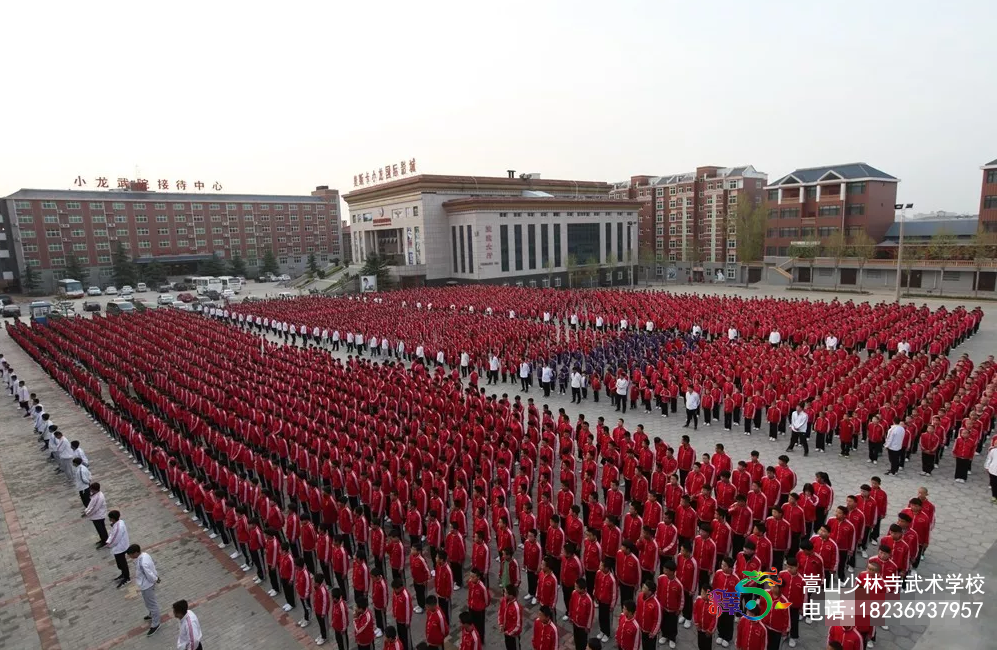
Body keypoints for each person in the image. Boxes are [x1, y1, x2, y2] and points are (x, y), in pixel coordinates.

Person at [127, 544, 161, 636]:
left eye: (130, 554)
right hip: (146, 584)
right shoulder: (145, 555)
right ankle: (151, 615)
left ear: (136, 553)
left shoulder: (142, 563)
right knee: (148, 602)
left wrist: (155, 579)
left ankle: (156, 623)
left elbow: (149, 574)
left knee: (152, 604)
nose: (129, 556)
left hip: (147, 585)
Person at [106, 510, 131, 588]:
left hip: (120, 548)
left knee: (122, 563)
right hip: (121, 546)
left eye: (110, 518)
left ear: (113, 518)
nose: (109, 519)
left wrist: (109, 544)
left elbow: (115, 539)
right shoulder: (118, 523)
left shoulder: (118, 527)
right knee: (120, 563)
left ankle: (127, 577)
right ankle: (123, 574)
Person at [82, 482, 108, 547]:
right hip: (96, 515)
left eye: (91, 489)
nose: (90, 490)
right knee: (100, 528)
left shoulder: (99, 497)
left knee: (101, 529)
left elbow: (95, 508)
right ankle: (103, 539)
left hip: (98, 516)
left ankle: (104, 541)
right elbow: (91, 504)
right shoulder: (95, 494)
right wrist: (86, 510)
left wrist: (87, 513)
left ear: (94, 489)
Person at [498, 584, 523, 650]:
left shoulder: (517, 608)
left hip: (514, 635)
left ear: (511, 595)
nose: (504, 593)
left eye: (506, 592)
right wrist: (501, 624)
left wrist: (509, 632)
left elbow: (518, 626)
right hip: (506, 632)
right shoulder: (504, 600)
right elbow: (500, 612)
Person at [313, 573, 331, 646]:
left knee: (324, 624)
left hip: (322, 612)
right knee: (321, 624)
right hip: (317, 610)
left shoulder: (323, 591)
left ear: (318, 583)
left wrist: (323, 613)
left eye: (315, 582)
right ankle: (322, 634)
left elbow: (325, 603)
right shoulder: (317, 588)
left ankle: (325, 637)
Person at [986, 439, 997, 503]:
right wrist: (987, 467)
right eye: (995, 443)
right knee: (993, 484)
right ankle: (994, 496)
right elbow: (989, 459)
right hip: (993, 470)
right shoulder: (993, 451)